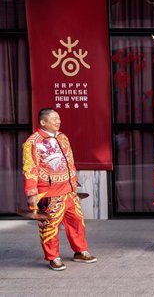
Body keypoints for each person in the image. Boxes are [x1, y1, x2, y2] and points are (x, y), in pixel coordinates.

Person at [22, 108, 97, 271]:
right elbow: (30, 168)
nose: (58, 121)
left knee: (77, 222)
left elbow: (70, 161)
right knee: (49, 225)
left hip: (68, 190)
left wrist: (74, 182)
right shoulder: (33, 142)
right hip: (49, 192)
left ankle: (80, 251)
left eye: (59, 118)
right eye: (54, 119)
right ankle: (53, 257)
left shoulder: (63, 137)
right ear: (43, 122)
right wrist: (31, 192)